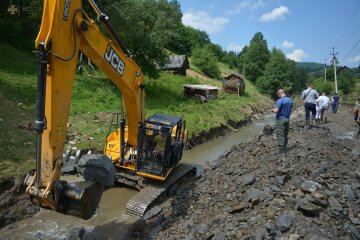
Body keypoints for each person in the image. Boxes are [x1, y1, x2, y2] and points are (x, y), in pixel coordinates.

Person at [271, 89, 293, 153]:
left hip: (281, 119)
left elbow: (276, 110)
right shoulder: (290, 100)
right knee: (285, 133)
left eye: (278, 95)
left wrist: (272, 110)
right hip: (287, 119)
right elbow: (291, 108)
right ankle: (285, 147)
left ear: (279, 94)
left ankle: (281, 149)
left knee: (280, 133)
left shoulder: (280, 100)